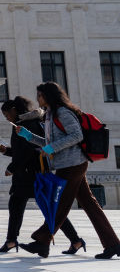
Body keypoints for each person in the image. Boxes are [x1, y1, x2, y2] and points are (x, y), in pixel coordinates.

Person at [16, 82, 120, 259]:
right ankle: (113, 244)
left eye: (40, 95)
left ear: (48, 96)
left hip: (74, 164)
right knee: (89, 204)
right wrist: (28, 136)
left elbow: (76, 135)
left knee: (60, 204)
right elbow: (50, 143)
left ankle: (42, 241)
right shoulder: (49, 116)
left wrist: (51, 149)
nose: (37, 99)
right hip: (66, 164)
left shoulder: (62, 112)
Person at [0, 96, 83, 253]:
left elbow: (29, 150)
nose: (6, 118)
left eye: (6, 114)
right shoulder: (22, 123)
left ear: (14, 110)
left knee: (47, 208)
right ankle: (11, 240)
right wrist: (7, 151)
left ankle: (75, 240)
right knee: (34, 207)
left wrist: (12, 167)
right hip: (28, 174)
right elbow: (21, 150)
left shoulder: (27, 124)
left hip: (32, 175)